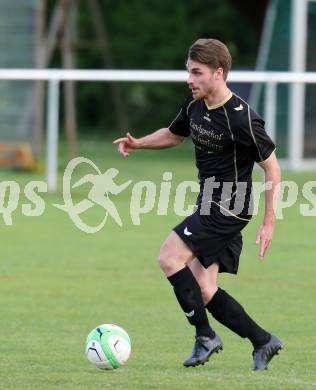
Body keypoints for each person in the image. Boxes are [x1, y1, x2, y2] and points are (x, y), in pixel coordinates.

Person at [113, 38, 283, 370]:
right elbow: (175, 134)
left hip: (228, 208)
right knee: (204, 288)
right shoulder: (195, 106)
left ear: (218, 73)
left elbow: (272, 166)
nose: (189, 79)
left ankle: (205, 336)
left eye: (196, 72)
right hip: (209, 203)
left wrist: (269, 221)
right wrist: (139, 144)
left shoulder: (242, 118)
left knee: (168, 256)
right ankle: (264, 341)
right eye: (188, 72)